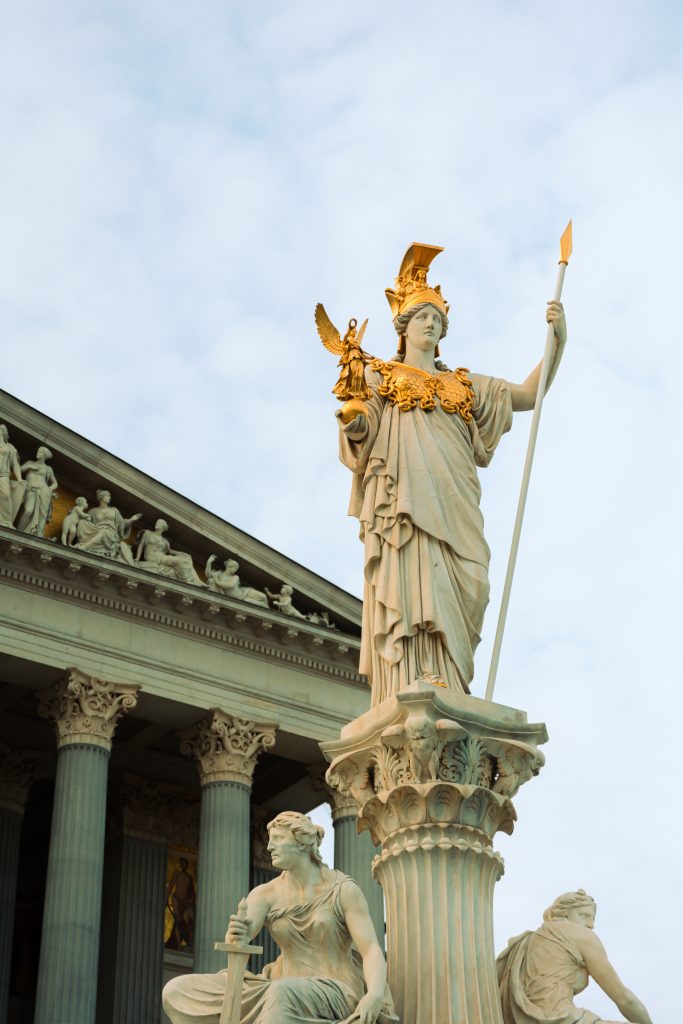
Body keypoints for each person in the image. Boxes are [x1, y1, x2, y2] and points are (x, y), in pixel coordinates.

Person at [336, 243, 567, 704]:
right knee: (416, 579)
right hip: (405, 500)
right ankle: (417, 675)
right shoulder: (382, 376)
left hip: (456, 501)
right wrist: (356, 421)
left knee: (472, 581)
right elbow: (360, 419)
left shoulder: (464, 384)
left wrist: (558, 341)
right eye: (423, 316)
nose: (431, 324)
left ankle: (454, 681)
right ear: (403, 325)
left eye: (438, 320)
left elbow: (527, 393)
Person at [162, 811, 396, 1024]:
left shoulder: (342, 889)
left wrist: (374, 994)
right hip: (274, 984)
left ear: (301, 842)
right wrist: (237, 933)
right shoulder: (265, 894)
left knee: (281, 994)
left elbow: (371, 950)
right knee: (177, 991)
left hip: (334, 988)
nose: (270, 847)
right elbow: (243, 933)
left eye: (278, 839)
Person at [496, 889, 653, 1024]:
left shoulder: (528, 940)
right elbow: (623, 998)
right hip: (561, 1018)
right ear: (566, 913)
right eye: (584, 915)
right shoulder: (579, 934)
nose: (591, 924)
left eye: (593, 918)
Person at [74, 488, 141, 564]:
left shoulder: (114, 510)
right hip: (96, 530)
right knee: (82, 522)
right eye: (108, 496)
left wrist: (132, 519)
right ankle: (83, 544)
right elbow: (87, 520)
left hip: (110, 533)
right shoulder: (93, 511)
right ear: (102, 497)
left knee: (104, 532)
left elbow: (122, 523)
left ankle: (85, 547)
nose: (110, 498)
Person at [136, 519, 204, 585]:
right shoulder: (148, 533)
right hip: (153, 557)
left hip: (161, 557)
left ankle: (193, 581)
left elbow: (170, 551)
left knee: (184, 559)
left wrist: (182, 553)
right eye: (157, 522)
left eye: (159, 522)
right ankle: (188, 581)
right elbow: (141, 545)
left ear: (163, 527)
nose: (156, 523)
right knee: (179, 561)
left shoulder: (165, 541)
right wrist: (137, 558)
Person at [15, 446, 58, 536]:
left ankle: (33, 532)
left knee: (41, 516)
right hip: (30, 490)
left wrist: (49, 489)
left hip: (43, 492)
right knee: (28, 511)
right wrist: (29, 466)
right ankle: (19, 531)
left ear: (45, 455)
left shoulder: (48, 469)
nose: (38, 453)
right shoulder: (30, 463)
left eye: (40, 452)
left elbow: (55, 483)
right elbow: (18, 470)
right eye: (38, 451)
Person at [165, 857, 196, 951]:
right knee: (178, 921)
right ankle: (178, 944)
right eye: (181, 863)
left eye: (184, 863)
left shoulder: (189, 877)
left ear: (186, 865)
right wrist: (166, 897)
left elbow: (192, 892)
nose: (183, 865)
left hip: (185, 902)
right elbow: (171, 886)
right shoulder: (177, 874)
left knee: (187, 920)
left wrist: (191, 901)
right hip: (177, 899)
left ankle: (191, 943)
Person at [0, 424, 22, 528]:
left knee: (5, 495)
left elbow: (15, 464)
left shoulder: (10, 448)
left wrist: (19, 478)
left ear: (3, 433)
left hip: (3, 474)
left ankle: (6, 521)